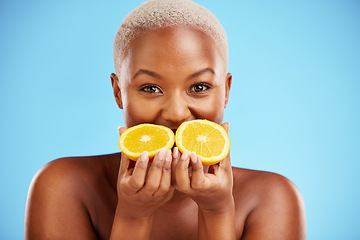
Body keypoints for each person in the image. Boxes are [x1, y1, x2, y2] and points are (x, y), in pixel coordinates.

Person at [25, 0, 306, 239]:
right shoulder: (63, 188)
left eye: (199, 87)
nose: (175, 113)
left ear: (226, 91)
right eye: (150, 88)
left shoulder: (272, 199)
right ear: (118, 92)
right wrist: (133, 216)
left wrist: (217, 211)